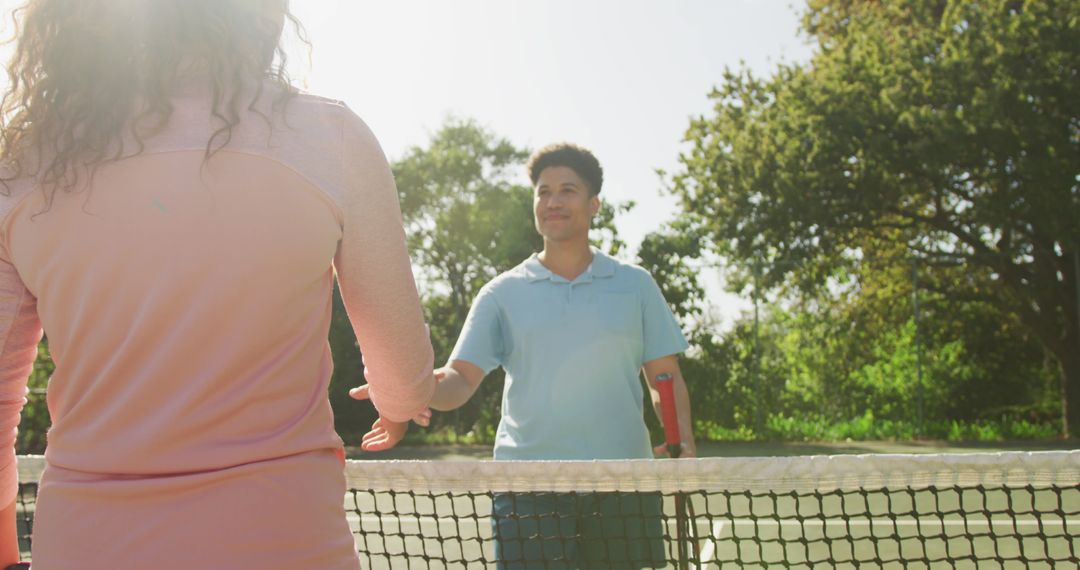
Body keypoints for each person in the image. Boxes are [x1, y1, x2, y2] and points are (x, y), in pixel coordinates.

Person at [0, 1, 434, 568]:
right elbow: (404, 376)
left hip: (84, 543)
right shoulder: (330, 137)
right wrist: (398, 403)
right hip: (284, 541)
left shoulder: (23, 163)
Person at [357, 143, 696, 569]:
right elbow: (459, 381)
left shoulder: (636, 285)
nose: (553, 201)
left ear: (594, 205)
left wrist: (684, 444)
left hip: (623, 483)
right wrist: (409, 387)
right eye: (543, 191)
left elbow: (664, 376)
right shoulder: (501, 294)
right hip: (527, 487)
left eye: (567, 190)